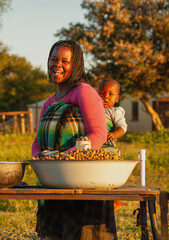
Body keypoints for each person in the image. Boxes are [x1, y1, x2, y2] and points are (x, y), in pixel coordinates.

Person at [32, 40, 116, 240]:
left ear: (76, 64)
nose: (57, 64)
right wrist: (42, 161)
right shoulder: (49, 102)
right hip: (54, 179)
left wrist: (62, 160)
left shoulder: (84, 91)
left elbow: (98, 134)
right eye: (54, 59)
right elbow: (37, 142)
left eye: (65, 61)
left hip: (84, 180)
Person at [98, 79, 127, 144]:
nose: (106, 97)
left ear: (117, 98)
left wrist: (114, 134)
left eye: (111, 94)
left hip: (108, 143)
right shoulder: (93, 108)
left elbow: (122, 127)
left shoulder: (115, 112)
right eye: (102, 93)